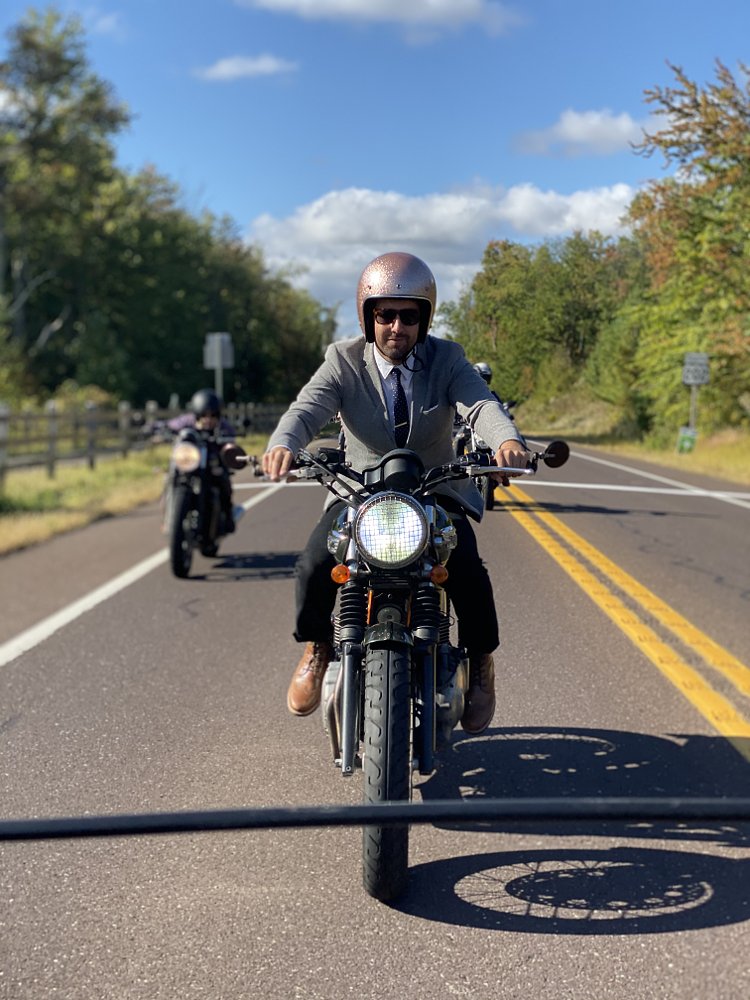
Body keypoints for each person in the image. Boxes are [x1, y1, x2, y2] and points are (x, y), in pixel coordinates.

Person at [262, 252, 528, 734]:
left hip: (434, 488)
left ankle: (481, 663)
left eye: (409, 316)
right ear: (368, 317)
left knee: (467, 569)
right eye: (386, 314)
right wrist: (283, 444)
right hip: (358, 492)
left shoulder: (447, 359)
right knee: (315, 563)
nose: (397, 327)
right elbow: (307, 409)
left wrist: (506, 442)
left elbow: (480, 405)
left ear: (424, 318)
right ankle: (318, 646)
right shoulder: (343, 361)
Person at [185, 388, 237, 535]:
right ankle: (169, 519)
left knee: (223, 479)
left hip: (213, 463)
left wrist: (229, 445)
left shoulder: (224, 427)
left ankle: (228, 515)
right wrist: (156, 427)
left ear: (218, 415)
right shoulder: (187, 421)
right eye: (203, 415)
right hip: (191, 461)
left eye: (213, 415)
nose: (208, 419)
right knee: (171, 478)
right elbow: (171, 424)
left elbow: (231, 439)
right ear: (197, 414)